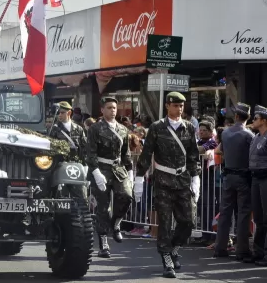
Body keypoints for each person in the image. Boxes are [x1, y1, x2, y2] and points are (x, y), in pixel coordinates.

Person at [134, 92, 200, 279]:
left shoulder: (188, 127)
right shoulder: (156, 128)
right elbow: (146, 155)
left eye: (181, 106)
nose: (179, 109)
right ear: (167, 106)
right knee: (164, 223)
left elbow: (193, 156)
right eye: (175, 105)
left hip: (183, 181)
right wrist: (139, 179)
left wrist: (196, 178)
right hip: (163, 181)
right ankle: (167, 260)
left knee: (188, 221)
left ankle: (174, 248)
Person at [86, 97, 132, 258]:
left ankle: (116, 224)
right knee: (103, 207)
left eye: (114, 108)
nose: (112, 110)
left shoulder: (123, 129)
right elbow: (90, 153)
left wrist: (131, 173)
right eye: (109, 108)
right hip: (101, 168)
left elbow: (126, 153)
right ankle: (104, 242)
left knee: (126, 196)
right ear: (102, 110)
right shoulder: (95, 128)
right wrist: (96, 172)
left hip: (118, 169)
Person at [213, 103, 254, 260]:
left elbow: (219, 150)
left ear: (236, 116)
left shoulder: (226, 133)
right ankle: (242, 250)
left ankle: (220, 247)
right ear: (247, 117)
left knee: (225, 213)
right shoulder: (248, 135)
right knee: (243, 214)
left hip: (228, 177)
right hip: (243, 177)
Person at [247, 104, 267, 266]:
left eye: (255, 118)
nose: (252, 120)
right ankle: (258, 252)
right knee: (259, 219)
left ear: (264, 120)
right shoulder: (256, 137)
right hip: (255, 179)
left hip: (265, 178)